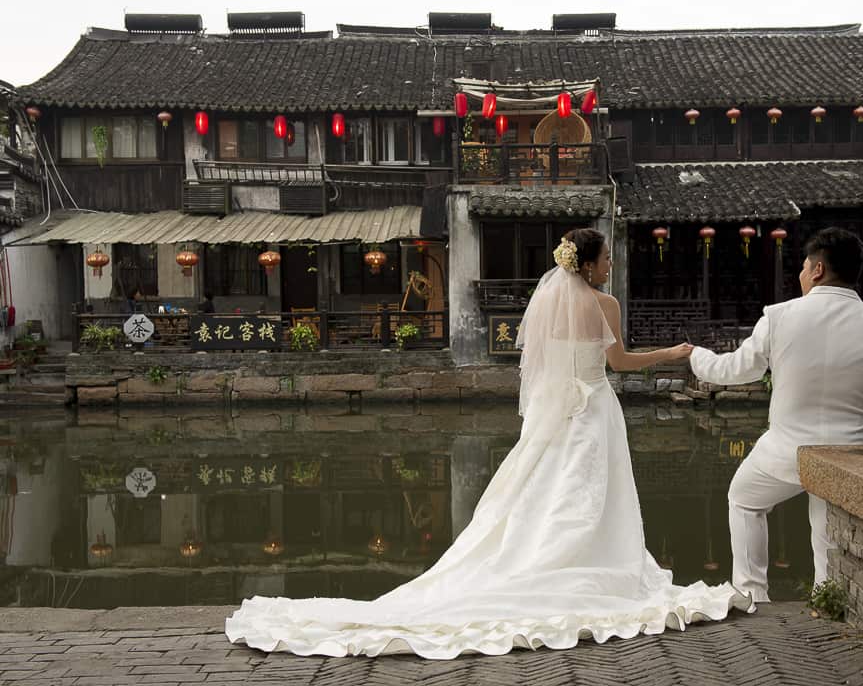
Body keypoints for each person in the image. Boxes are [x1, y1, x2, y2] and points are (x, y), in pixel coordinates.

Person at [225, 228, 752, 659]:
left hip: (560, 410)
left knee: (550, 488)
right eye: (606, 258)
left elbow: (544, 366)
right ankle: (584, 563)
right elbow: (620, 364)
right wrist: (674, 352)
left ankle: (551, 556)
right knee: (589, 490)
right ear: (588, 265)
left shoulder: (548, 305)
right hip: (592, 407)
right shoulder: (605, 304)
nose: (610, 264)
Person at [689, 227, 863, 603]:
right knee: (827, 528)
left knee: (745, 499)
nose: (799, 274)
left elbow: (736, 370)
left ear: (816, 270)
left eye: (802, 266)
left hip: (785, 452)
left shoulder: (779, 317)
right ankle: (827, 599)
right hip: (852, 455)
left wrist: (694, 356)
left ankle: (751, 593)